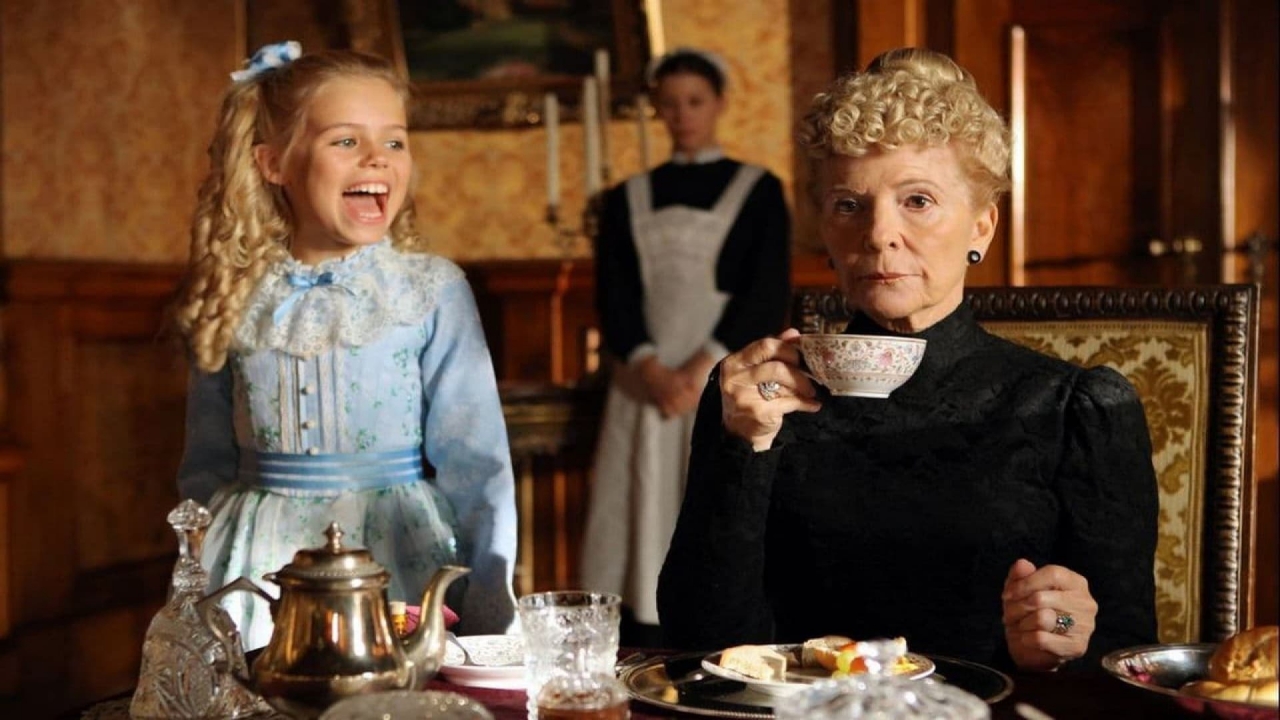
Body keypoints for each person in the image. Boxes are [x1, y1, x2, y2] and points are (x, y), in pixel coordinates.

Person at [657, 47, 1159, 672]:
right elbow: (697, 643)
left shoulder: (1077, 410)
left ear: (981, 227)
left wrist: (1063, 639)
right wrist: (743, 451)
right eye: (849, 205)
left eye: (917, 200)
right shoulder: (756, 396)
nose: (877, 234)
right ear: (826, 231)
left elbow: (1128, 656)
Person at [173, 42, 517, 648]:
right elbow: (204, 465)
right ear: (273, 163)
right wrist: (194, 582)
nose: (376, 158)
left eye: (395, 141)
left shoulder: (430, 291)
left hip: (397, 554)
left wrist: (490, 606)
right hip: (257, 564)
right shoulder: (233, 294)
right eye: (346, 140)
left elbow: (478, 465)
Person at [580, 47, 792, 646]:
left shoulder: (757, 191)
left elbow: (764, 290)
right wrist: (650, 366)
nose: (682, 115)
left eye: (694, 101)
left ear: (719, 103)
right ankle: (640, 633)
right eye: (669, 104)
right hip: (643, 384)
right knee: (638, 501)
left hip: (721, 376)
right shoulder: (627, 196)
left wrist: (701, 370)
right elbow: (615, 293)